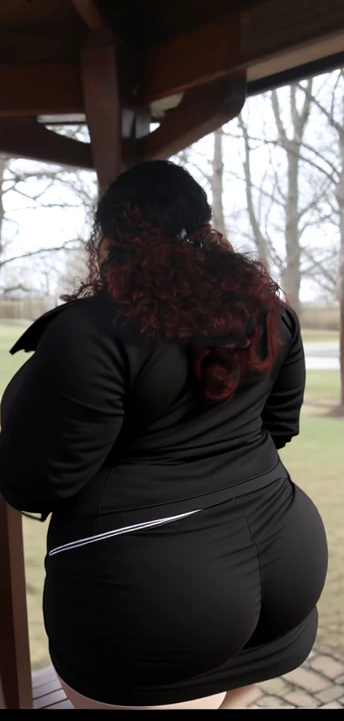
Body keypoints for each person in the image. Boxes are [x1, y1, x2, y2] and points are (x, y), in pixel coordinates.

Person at [0, 160, 327, 710]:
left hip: (159, 598)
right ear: (203, 226)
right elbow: (280, 426)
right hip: (286, 557)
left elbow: (36, 482)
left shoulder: (91, 333)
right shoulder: (270, 314)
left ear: (110, 240)